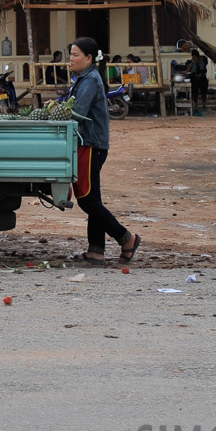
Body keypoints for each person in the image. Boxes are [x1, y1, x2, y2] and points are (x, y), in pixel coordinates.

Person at [66, 37, 141, 264]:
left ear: (89, 58)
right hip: (91, 144)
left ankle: (126, 238)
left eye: (75, 54)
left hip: (91, 145)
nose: (71, 58)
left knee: (88, 200)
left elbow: (77, 111)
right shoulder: (85, 78)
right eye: (70, 54)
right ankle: (96, 250)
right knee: (93, 198)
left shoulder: (90, 80)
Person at [186, 48, 209, 116]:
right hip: (194, 78)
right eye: (193, 57)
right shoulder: (190, 62)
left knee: (204, 91)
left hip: (203, 77)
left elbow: (206, 63)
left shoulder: (204, 59)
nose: (194, 58)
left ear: (198, 56)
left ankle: (204, 104)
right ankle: (195, 105)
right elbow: (188, 70)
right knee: (194, 91)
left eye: (195, 57)